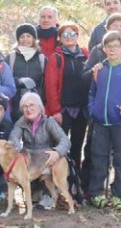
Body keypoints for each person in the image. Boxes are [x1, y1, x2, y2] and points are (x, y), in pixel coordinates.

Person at [83, 13, 121, 194]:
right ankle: (96, 193)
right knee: (99, 158)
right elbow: (92, 93)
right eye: (109, 47)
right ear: (104, 48)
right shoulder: (99, 69)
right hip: (101, 122)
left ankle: (119, 194)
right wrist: (93, 110)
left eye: (116, 46)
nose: (112, 50)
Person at [9, 92, 72, 207]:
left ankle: (49, 196)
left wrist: (57, 153)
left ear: (39, 107)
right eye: (25, 106)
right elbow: (13, 138)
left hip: (47, 160)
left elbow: (65, 141)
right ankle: (34, 195)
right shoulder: (20, 123)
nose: (29, 109)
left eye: (32, 105)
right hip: (30, 162)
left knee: (47, 193)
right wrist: (17, 150)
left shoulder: (49, 122)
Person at [44, 22, 89, 177]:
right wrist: (56, 110)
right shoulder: (56, 57)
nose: (69, 37)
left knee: (77, 146)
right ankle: (57, 181)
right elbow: (50, 86)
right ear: (60, 38)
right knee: (60, 147)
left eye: (72, 34)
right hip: (63, 110)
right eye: (65, 35)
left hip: (82, 110)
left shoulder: (86, 55)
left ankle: (74, 181)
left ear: (77, 36)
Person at [5, 23, 46, 121]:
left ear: (34, 39)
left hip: (36, 105)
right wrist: (18, 81)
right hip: (15, 105)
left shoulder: (41, 59)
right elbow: (5, 79)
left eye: (28, 36)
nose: (25, 39)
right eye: (22, 37)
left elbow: (46, 83)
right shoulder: (11, 58)